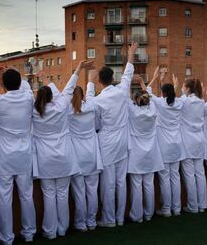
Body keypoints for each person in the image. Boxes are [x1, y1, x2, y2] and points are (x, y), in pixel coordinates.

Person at [33, 62, 87, 239]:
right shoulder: (62, 106)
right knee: (62, 195)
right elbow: (70, 87)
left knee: (49, 195)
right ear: (52, 98)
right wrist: (78, 68)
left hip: (45, 159)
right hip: (64, 157)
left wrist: (44, 80)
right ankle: (62, 229)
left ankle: (50, 231)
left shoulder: (34, 112)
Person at [0, 68, 36, 244]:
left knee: (5, 198)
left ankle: (7, 238)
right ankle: (29, 234)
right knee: (27, 196)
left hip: (4, 158)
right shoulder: (29, 98)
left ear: (4, 85)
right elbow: (27, 87)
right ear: (20, 82)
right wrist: (8, 79)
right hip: (23, 155)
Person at [91, 43, 137, 227]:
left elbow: (96, 124)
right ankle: (119, 218)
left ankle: (109, 219)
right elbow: (128, 73)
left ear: (100, 82)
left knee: (108, 184)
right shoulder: (122, 91)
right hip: (123, 142)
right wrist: (131, 53)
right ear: (112, 78)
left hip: (107, 143)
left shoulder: (98, 100)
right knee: (120, 182)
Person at [68, 68, 103, 232]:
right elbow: (91, 96)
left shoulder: (68, 112)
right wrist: (90, 80)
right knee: (92, 191)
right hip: (92, 154)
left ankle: (81, 224)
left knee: (79, 192)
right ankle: (92, 221)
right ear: (82, 96)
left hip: (77, 155)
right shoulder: (91, 107)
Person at [147, 69, 185, 217]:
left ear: (162, 93)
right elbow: (171, 97)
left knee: (165, 179)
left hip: (163, 146)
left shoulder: (159, 103)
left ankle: (167, 209)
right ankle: (176, 208)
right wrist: (174, 85)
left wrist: (155, 78)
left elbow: (147, 92)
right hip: (177, 145)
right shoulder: (179, 103)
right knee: (175, 177)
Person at [127, 76, 164, 223]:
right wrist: (144, 84)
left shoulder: (133, 111)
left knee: (136, 185)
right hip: (151, 152)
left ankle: (137, 216)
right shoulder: (152, 111)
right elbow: (151, 99)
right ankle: (149, 214)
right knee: (148, 184)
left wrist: (129, 83)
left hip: (137, 152)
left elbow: (125, 97)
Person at [179, 77, 207, 213]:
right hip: (199, 140)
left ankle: (192, 206)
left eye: (184, 87)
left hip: (187, 141)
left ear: (188, 89)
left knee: (189, 175)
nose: (182, 89)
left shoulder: (184, 100)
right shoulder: (202, 101)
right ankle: (202, 205)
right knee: (200, 174)